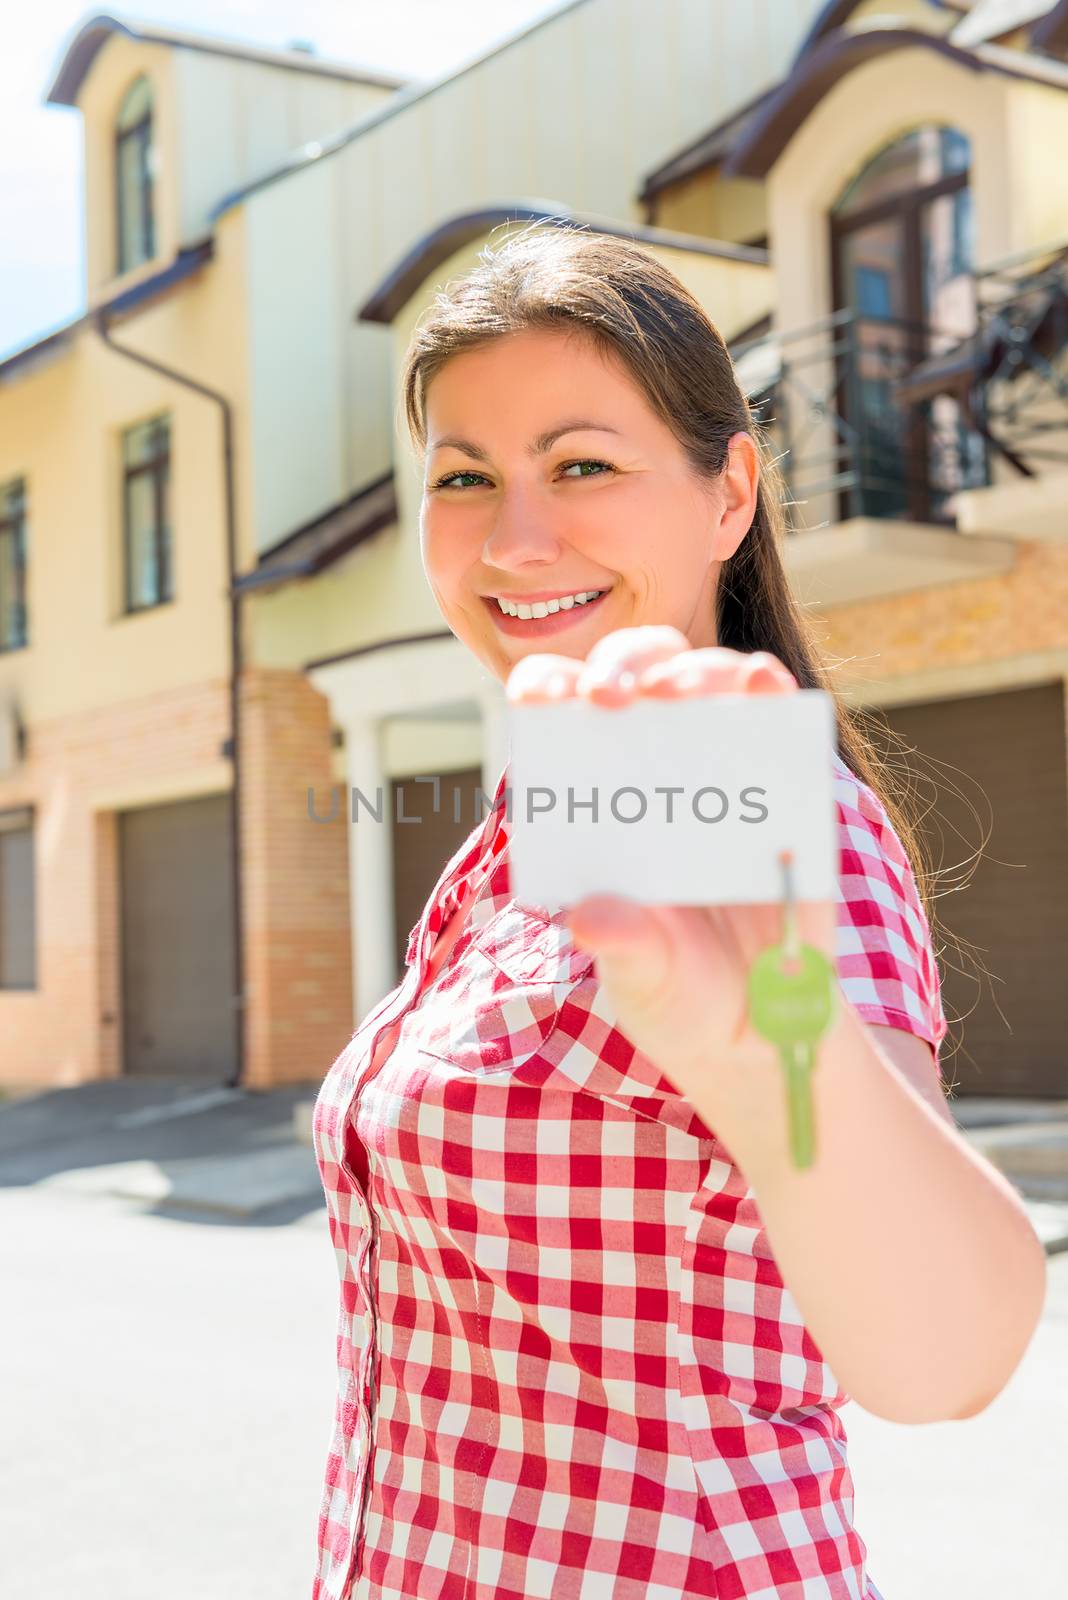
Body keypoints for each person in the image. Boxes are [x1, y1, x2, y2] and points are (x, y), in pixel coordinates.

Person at [310, 222, 1046, 1600]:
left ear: (728, 496)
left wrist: (770, 1059)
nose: (517, 535)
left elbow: (943, 1359)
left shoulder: (763, 813)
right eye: (466, 476)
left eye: (583, 463)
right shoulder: (520, 836)